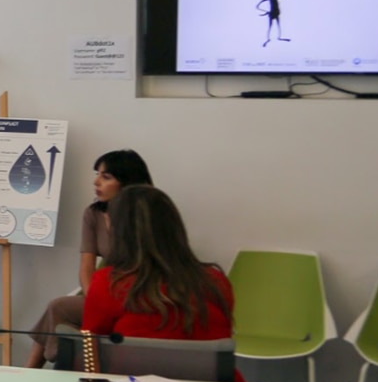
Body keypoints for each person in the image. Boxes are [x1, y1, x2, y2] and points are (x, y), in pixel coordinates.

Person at [24, 149, 153, 367]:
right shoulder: (93, 214)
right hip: (104, 292)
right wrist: (95, 299)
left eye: (106, 177)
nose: (96, 182)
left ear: (127, 182)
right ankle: (38, 367)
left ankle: (34, 369)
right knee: (58, 308)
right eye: (97, 174)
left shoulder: (149, 214)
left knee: (58, 308)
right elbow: (86, 267)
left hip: (138, 293)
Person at [82, 185, 234, 354]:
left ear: (121, 232)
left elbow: (90, 351)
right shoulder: (216, 281)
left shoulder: (109, 283)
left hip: (132, 378)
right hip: (211, 379)